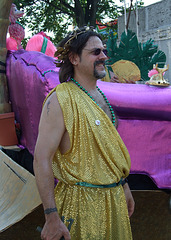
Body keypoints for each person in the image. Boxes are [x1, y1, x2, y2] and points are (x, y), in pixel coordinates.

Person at [33, 26, 135, 240]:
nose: (104, 56)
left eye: (104, 51)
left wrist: (123, 185)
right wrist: (51, 216)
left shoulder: (101, 96)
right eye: (95, 52)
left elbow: (108, 152)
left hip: (114, 203)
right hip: (80, 207)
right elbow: (42, 159)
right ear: (74, 58)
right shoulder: (60, 99)